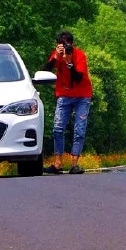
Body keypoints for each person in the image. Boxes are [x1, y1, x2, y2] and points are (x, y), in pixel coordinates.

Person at [41, 31, 91, 175]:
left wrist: (69, 62)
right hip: (64, 95)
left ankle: (74, 164)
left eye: (67, 45)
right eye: (61, 45)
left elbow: (78, 79)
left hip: (82, 95)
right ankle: (58, 163)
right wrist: (55, 57)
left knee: (79, 130)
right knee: (58, 128)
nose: (65, 48)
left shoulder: (79, 55)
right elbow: (44, 71)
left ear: (72, 44)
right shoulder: (57, 54)